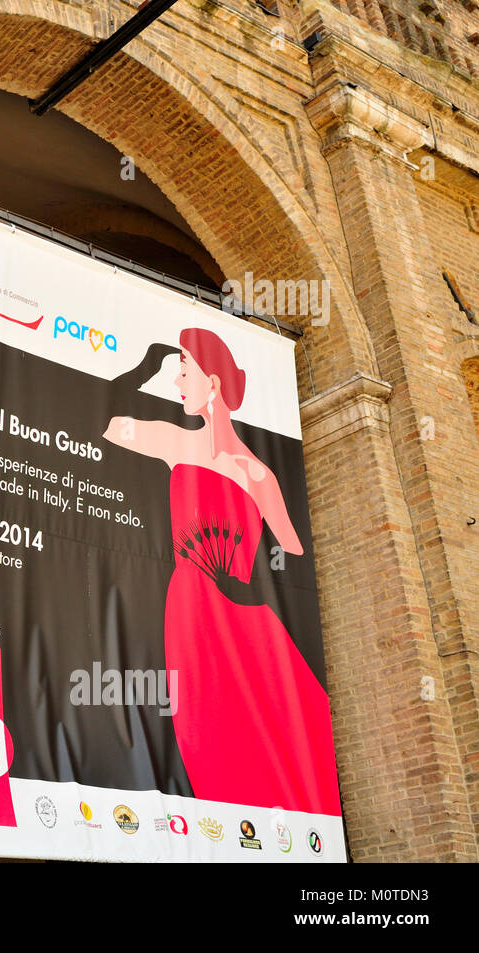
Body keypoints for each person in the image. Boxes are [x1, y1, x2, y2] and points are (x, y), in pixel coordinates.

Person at [102, 328, 341, 815]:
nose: (177, 383)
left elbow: (293, 558)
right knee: (205, 734)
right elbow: (103, 419)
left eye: (183, 370)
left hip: (244, 620)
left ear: (212, 383)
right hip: (189, 612)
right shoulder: (175, 442)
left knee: (270, 740)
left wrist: (255, 587)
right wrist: (148, 365)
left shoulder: (260, 474)